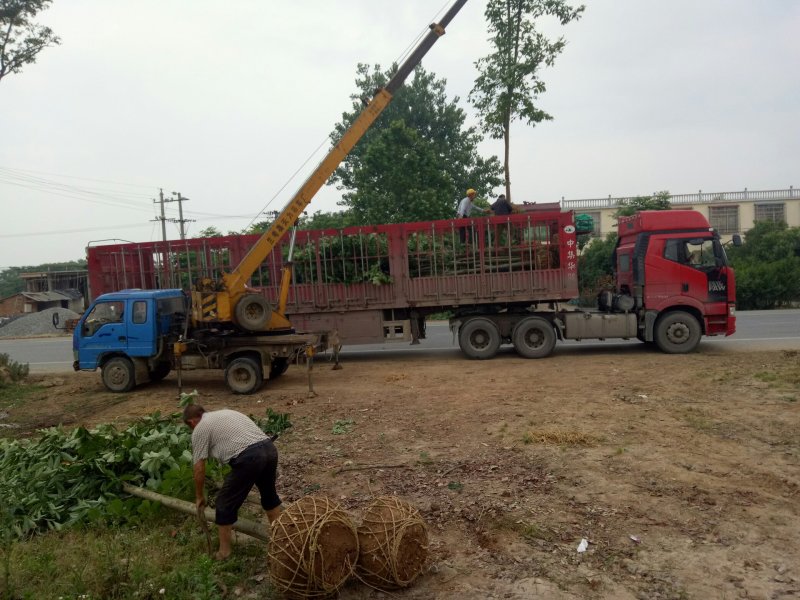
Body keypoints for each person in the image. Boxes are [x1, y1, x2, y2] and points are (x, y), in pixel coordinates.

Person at [183, 404, 283, 560]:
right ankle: (282, 542)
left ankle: (224, 553)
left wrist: (199, 496)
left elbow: (199, 468)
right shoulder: (224, 412)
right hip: (269, 448)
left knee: (223, 503)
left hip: (249, 456)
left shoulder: (200, 428)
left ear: (192, 422)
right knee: (269, 497)